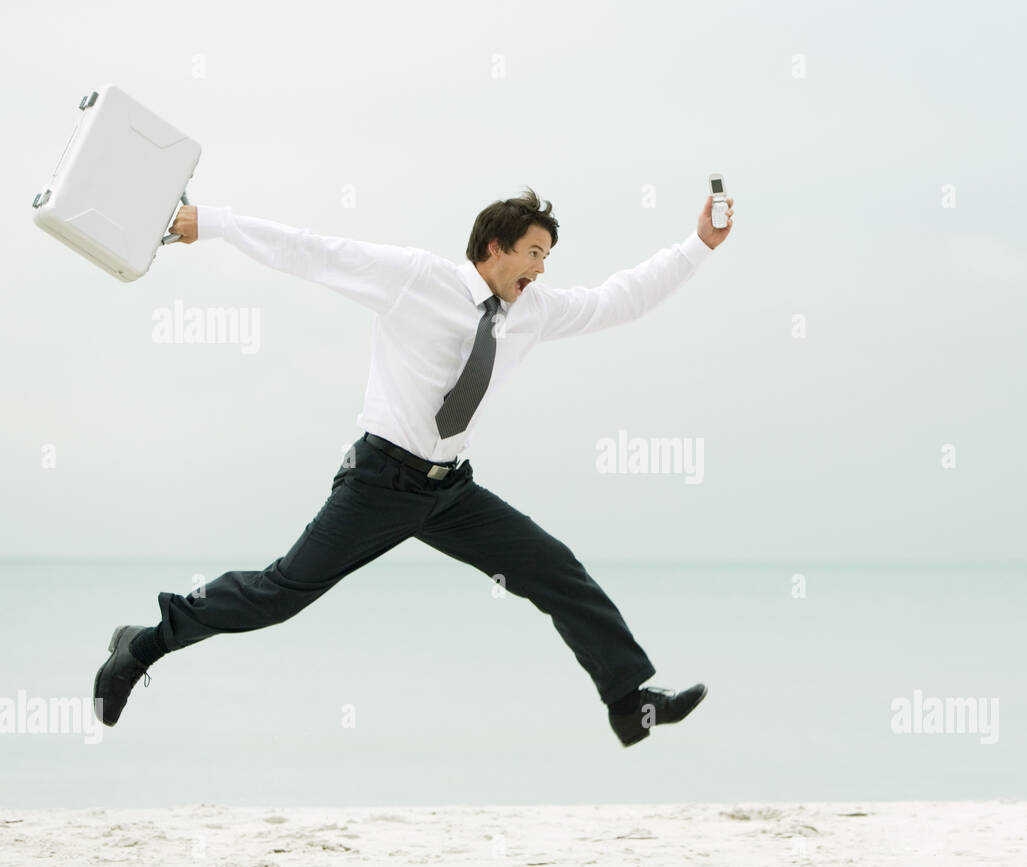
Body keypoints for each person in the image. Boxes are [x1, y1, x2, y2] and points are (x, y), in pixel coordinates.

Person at [92, 186, 734, 747]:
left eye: (547, 258)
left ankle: (630, 704)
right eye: (534, 253)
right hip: (380, 482)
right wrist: (216, 221)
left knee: (554, 568)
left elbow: (617, 300)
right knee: (282, 594)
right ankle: (142, 645)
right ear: (494, 248)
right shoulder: (415, 279)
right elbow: (315, 251)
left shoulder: (528, 313)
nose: (541, 270)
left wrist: (698, 246)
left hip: (451, 491)